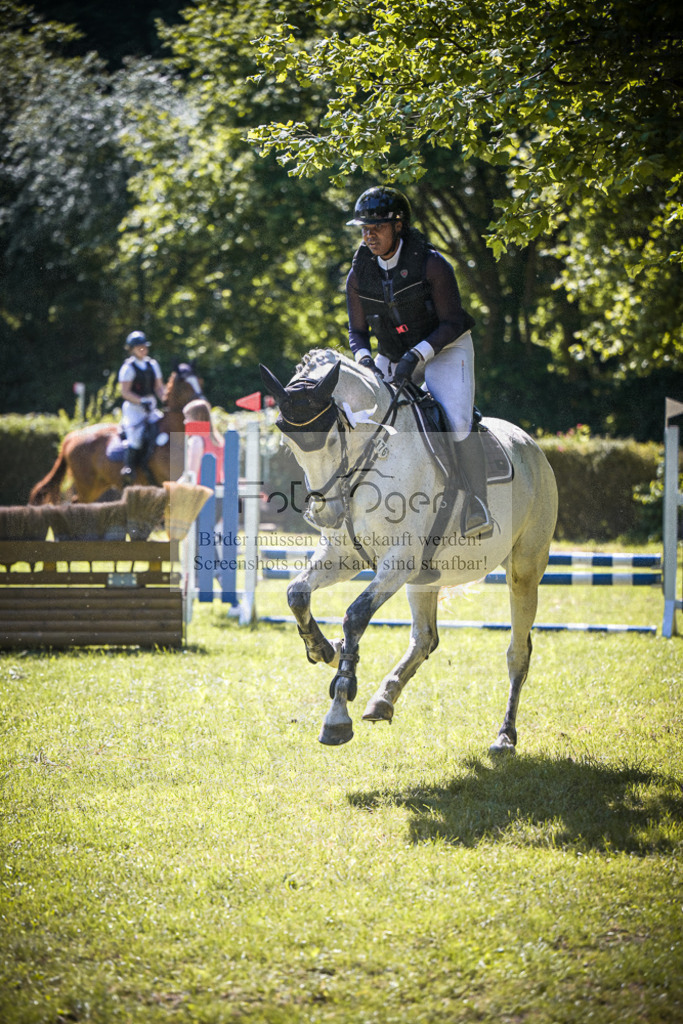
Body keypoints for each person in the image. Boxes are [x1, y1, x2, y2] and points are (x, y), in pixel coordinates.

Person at [345, 185, 491, 538]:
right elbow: (357, 332)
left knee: (455, 421)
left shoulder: (432, 264)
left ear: (398, 226)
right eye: (364, 228)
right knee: (359, 419)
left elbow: (453, 323)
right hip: (394, 355)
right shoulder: (358, 274)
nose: (368, 236)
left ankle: (476, 504)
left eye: (376, 227)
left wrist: (418, 354)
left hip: (445, 348)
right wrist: (364, 361)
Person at [117, 331, 165, 482]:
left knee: (163, 428)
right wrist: (140, 400)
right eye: (139, 348)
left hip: (151, 407)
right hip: (134, 409)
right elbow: (125, 392)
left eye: (144, 347)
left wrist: (165, 398)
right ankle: (129, 468)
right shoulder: (128, 368)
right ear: (132, 349)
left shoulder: (153, 364)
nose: (143, 350)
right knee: (136, 438)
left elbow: (158, 387)